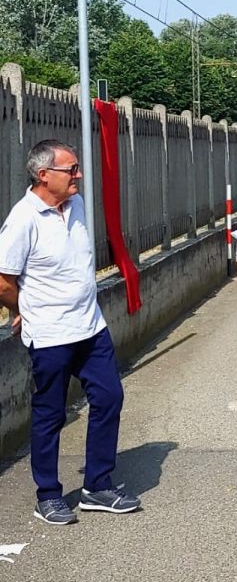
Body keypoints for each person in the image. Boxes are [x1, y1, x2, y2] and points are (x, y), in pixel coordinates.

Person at [0, 140, 140, 525]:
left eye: (77, 168)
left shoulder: (75, 204)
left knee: (110, 396)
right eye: (71, 169)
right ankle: (47, 494)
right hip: (50, 334)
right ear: (43, 175)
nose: (79, 175)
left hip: (90, 326)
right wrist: (22, 310)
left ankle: (97, 485)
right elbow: (3, 279)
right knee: (50, 413)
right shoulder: (23, 218)